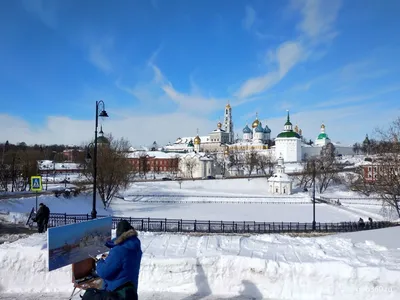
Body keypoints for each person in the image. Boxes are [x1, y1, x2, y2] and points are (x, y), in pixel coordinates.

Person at [96, 220, 142, 299]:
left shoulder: (119, 250)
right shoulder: (135, 245)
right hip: (130, 292)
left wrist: (99, 262)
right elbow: (123, 261)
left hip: (116, 293)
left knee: (90, 294)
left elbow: (103, 272)